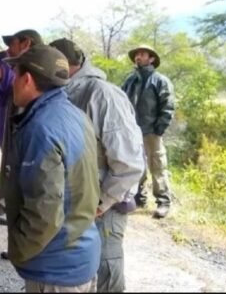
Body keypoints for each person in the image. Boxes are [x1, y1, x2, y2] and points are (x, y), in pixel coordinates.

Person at [50, 38, 145, 292]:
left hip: (103, 208)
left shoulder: (102, 94)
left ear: (61, 65)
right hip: (78, 206)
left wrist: (101, 203)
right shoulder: (63, 91)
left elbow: (129, 162)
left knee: (104, 274)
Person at [3, 45, 101, 293]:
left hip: (56, 269)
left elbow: (43, 213)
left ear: (26, 79)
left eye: (15, 75)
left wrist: (18, 251)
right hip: (82, 254)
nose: (13, 82)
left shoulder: (40, 127)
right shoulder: (75, 114)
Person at [0, 29, 44, 260]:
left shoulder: (41, 75)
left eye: (12, 43)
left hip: (33, 154)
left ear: (27, 43)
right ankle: (18, 247)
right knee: (16, 198)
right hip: (16, 150)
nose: (8, 49)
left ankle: (30, 251)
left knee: (33, 200)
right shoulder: (15, 78)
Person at [121, 44, 175, 219]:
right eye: (136, 54)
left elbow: (168, 107)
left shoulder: (160, 80)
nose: (138, 57)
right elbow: (121, 102)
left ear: (151, 58)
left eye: (142, 54)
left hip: (152, 131)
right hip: (132, 131)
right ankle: (138, 198)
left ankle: (163, 202)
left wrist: (159, 129)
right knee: (136, 166)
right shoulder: (130, 80)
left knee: (157, 166)